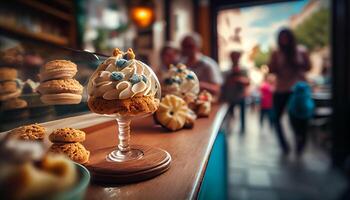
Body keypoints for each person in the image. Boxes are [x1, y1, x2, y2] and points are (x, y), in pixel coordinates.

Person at [268, 28, 311, 155]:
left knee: (298, 118)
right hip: (281, 88)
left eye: (286, 37)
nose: (284, 40)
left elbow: (309, 67)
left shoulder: (301, 50)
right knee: (276, 118)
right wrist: (274, 65)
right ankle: (284, 145)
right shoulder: (276, 53)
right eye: (281, 37)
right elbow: (271, 69)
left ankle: (300, 140)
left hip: (297, 89)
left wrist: (296, 64)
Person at [181, 33, 223, 98]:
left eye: (190, 46)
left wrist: (197, 84)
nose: (187, 49)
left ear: (198, 46)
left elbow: (217, 89)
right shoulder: (182, 64)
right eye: (184, 46)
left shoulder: (208, 64)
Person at [222, 51, 250, 133]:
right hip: (230, 96)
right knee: (230, 114)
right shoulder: (227, 71)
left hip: (241, 96)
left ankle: (242, 129)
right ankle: (230, 127)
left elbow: (247, 82)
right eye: (233, 57)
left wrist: (238, 79)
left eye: (236, 57)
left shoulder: (243, 70)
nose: (235, 59)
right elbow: (224, 83)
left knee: (242, 115)